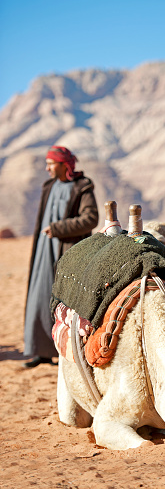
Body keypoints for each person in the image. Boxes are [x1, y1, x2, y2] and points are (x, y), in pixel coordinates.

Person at [23, 146, 99, 368]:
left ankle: (65, 352)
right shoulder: (49, 186)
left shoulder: (82, 187)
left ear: (63, 165)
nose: (47, 168)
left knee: (65, 303)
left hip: (68, 253)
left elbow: (90, 218)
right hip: (44, 251)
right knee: (40, 298)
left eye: (51, 163)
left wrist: (58, 228)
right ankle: (41, 352)